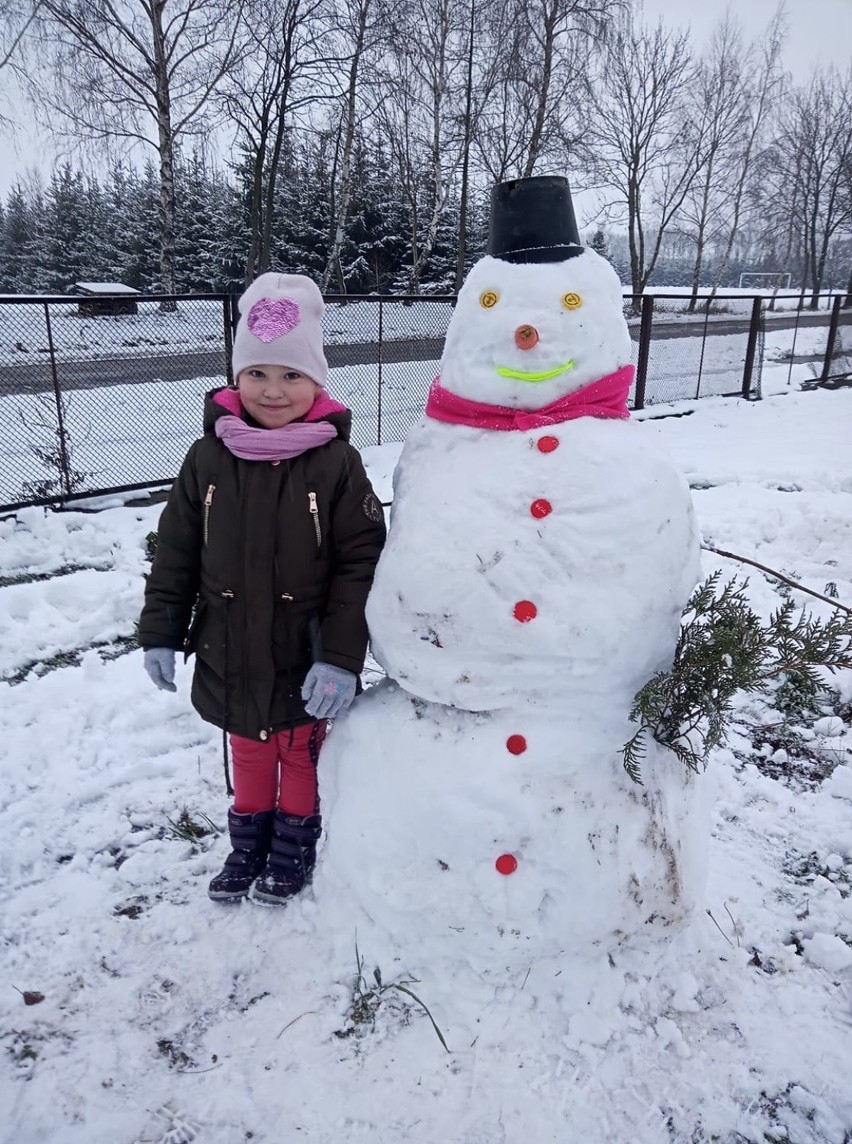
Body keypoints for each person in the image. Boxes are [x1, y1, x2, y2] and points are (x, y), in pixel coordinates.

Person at [138, 272, 386, 905]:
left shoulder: (336, 463)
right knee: (247, 746)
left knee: (298, 749)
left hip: (303, 648)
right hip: (229, 644)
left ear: (316, 381)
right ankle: (247, 843)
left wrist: (339, 657)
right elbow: (176, 551)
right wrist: (161, 633)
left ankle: (294, 844)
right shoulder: (207, 457)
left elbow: (361, 563)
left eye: (291, 376)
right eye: (257, 374)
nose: (273, 392)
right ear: (235, 377)